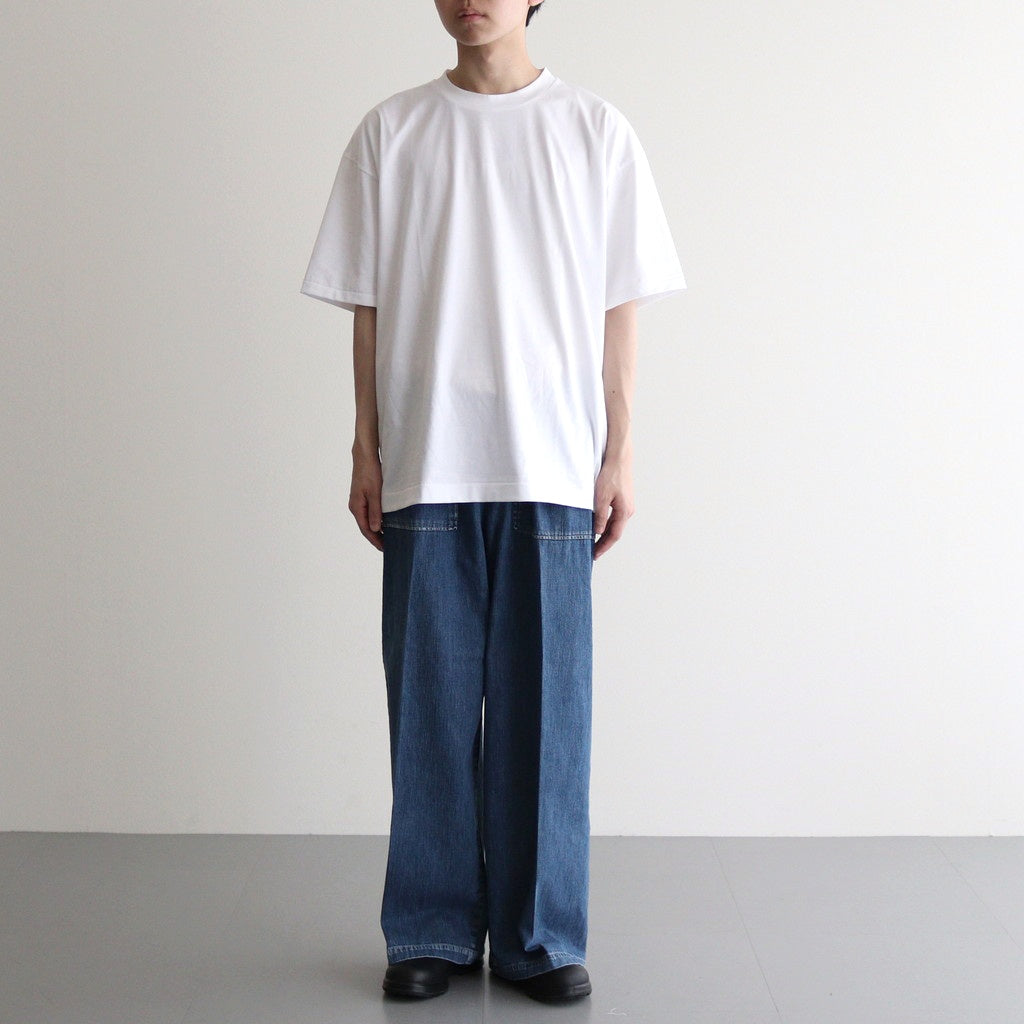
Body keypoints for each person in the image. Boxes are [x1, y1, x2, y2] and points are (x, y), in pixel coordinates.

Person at [300, 0, 686, 1005]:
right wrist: (365, 444)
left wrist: (619, 450)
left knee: (547, 709)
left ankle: (538, 936)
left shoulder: (593, 130)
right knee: (428, 708)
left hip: (552, 458)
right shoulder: (392, 130)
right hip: (429, 455)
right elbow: (366, 305)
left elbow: (620, 306)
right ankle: (428, 927)